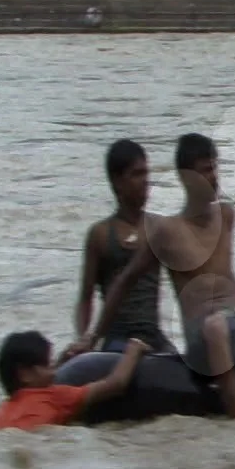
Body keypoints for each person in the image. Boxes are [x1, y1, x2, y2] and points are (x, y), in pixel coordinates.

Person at [87, 133, 235, 419]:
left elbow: (228, 274)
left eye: (215, 167)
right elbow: (125, 281)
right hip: (203, 337)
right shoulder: (166, 232)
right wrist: (93, 336)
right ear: (186, 178)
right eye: (205, 170)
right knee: (215, 327)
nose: (214, 177)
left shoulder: (227, 216)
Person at [62, 140, 175, 363]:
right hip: (118, 336)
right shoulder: (101, 235)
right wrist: (84, 339)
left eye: (146, 173)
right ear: (117, 182)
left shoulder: (160, 229)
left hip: (153, 335)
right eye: (136, 174)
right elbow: (86, 297)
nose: (146, 181)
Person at [0, 333, 149, 431]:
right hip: (35, 441)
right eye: (48, 364)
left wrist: (62, 360)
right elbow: (116, 384)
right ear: (25, 374)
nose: (54, 372)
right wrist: (133, 350)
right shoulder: (56, 396)